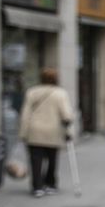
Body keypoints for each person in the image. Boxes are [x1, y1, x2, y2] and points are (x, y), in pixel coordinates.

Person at [18, 67, 73, 198]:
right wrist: (69, 129)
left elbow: (25, 114)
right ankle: (50, 183)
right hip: (53, 130)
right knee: (52, 159)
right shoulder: (60, 93)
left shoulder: (32, 92)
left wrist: (23, 133)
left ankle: (37, 186)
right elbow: (66, 115)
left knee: (35, 160)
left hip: (34, 130)